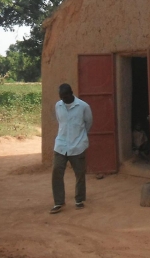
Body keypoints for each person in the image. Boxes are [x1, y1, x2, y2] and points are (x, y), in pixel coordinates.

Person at [50, 83, 93, 214]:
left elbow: (88, 123)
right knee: (56, 172)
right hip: (61, 145)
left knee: (79, 173)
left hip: (77, 146)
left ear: (71, 93)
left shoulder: (83, 107)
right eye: (61, 97)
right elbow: (60, 122)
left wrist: (80, 137)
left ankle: (79, 200)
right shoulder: (58, 106)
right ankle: (58, 202)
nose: (63, 99)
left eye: (65, 96)